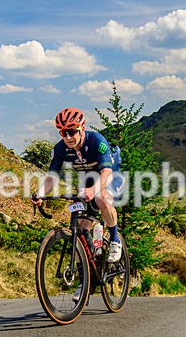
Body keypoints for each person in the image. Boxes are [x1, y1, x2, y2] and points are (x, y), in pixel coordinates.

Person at [32, 107, 124, 264]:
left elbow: (106, 173)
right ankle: (85, 280)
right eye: (63, 132)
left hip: (110, 176)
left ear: (82, 128)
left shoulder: (96, 141)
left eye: (71, 131)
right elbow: (51, 177)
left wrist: (93, 190)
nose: (68, 137)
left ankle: (115, 240)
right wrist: (39, 193)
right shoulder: (60, 149)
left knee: (101, 198)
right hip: (88, 180)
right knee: (79, 229)